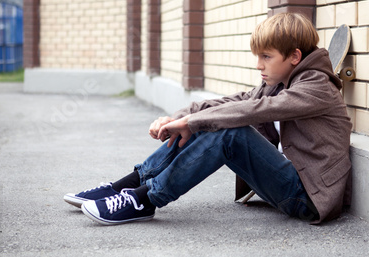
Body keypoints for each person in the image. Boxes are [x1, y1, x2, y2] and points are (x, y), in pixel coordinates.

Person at [63, 12, 352, 225]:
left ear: (295, 56)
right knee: (214, 118)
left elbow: (254, 111)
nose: (258, 65)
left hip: (308, 197)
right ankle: (127, 185)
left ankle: (145, 200)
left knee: (228, 130)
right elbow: (231, 102)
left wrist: (193, 123)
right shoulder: (278, 82)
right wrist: (177, 117)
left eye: (266, 57)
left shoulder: (317, 87)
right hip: (288, 183)